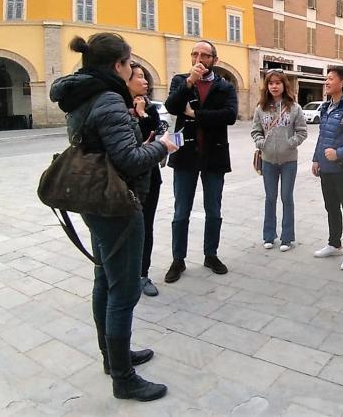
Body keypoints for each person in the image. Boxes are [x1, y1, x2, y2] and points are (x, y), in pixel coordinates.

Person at [50, 33, 178, 401]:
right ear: (119, 65)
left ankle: (113, 357)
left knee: (105, 277)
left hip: (94, 197)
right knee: (123, 290)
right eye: (129, 62)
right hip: (116, 202)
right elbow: (130, 159)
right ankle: (123, 377)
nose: (131, 67)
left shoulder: (82, 92)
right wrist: (161, 145)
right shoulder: (108, 98)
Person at [163, 40, 238, 283]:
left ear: (214, 60)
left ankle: (211, 254)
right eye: (195, 54)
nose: (198, 58)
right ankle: (178, 259)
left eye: (204, 55)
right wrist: (189, 83)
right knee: (180, 211)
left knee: (213, 210)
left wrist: (196, 114)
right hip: (185, 155)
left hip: (214, 155)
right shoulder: (180, 81)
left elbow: (229, 116)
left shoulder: (224, 86)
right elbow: (172, 107)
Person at [311, 65, 343, 270]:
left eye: (330, 78)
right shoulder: (326, 107)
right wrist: (316, 159)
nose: (326, 82)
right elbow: (322, 137)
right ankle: (334, 243)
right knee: (331, 207)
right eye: (327, 78)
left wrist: (338, 153)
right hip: (326, 170)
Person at [251, 69, 308, 251]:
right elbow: (255, 130)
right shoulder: (261, 108)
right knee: (270, 198)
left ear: (284, 85)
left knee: (286, 197)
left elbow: (302, 131)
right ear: (267, 86)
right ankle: (269, 236)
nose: (274, 86)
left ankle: (287, 237)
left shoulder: (295, 108)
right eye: (271, 83)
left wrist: (291, 143)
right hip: (268, 160)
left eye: (278, 83)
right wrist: (261, 143)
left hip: (289, 161)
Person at [127, 62, 163, 297]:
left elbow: (156, 129)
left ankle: (142, 274)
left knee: (145, 227)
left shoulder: (150, 107)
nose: (145, 81)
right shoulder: (115, 108)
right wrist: (136, 115)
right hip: (126, 179)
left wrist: (142, 113)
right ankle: (123, 275)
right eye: (139, 77)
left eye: (145, 77)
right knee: (125, 229)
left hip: (150, 176)